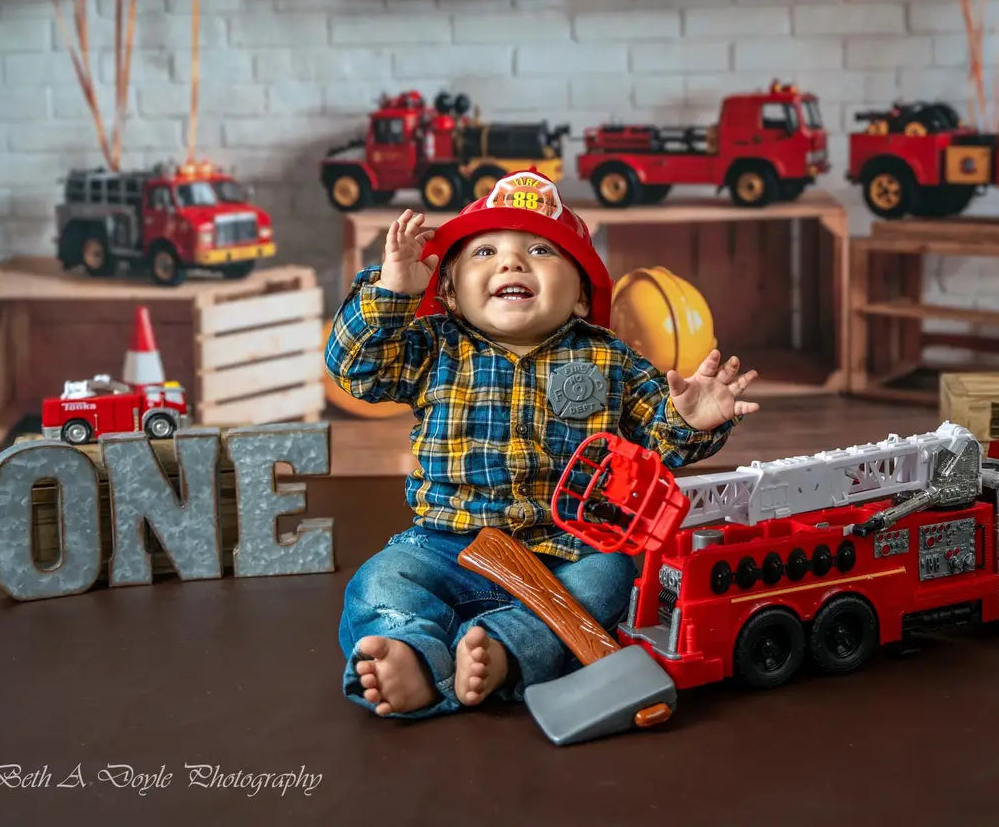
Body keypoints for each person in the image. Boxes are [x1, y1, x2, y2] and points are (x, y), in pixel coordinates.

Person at [325, 170, 759, 720]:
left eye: (540, 249)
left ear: (580, 293)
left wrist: (691, 419)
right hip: (448, 543)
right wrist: (392, 293)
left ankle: (503, 649)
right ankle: (413, 654)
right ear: (452, 293)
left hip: (571, 545)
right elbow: (356, 369)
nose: (511, 262)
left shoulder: (610, 358)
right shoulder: (434, 347)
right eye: (485, 251)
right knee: (381, 579)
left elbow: (657, 445)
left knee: (614, 578)